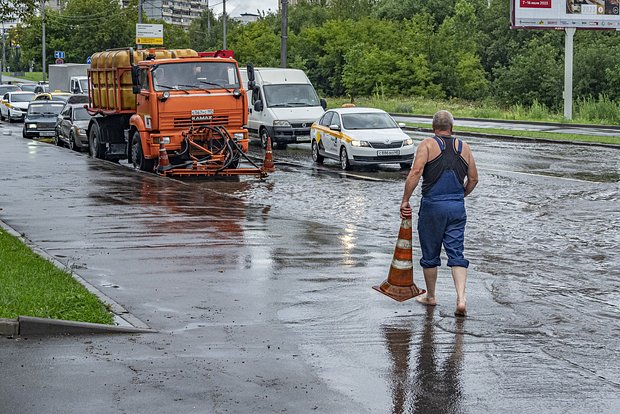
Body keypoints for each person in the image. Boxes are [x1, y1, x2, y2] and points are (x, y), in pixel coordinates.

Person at [400, 110, 478, 316]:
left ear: (433, 128)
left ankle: (431, 296)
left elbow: (416, 173)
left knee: (430, 253)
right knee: (456, 252)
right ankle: (461, 299)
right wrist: (461, 195)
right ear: (452, 128)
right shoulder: (465, 147)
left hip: (432, 206)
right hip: (456, 207)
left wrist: (405, 199)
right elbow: (473, 179)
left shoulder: (427, 144)